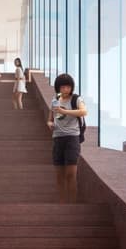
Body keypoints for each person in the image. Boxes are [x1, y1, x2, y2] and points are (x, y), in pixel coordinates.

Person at [47, 73, 87, 203]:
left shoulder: (76, 99)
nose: (65, 90)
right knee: (59, 175)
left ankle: (72, 203)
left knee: (71, 173)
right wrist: (50, 124)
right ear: (58, 87)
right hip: (58, 138)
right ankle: (62, 203)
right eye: (62, 87)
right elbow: (50, 118)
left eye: (68, 87)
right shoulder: (55, 100)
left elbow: (83, 112)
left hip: (72, 138)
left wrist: (65, 112)